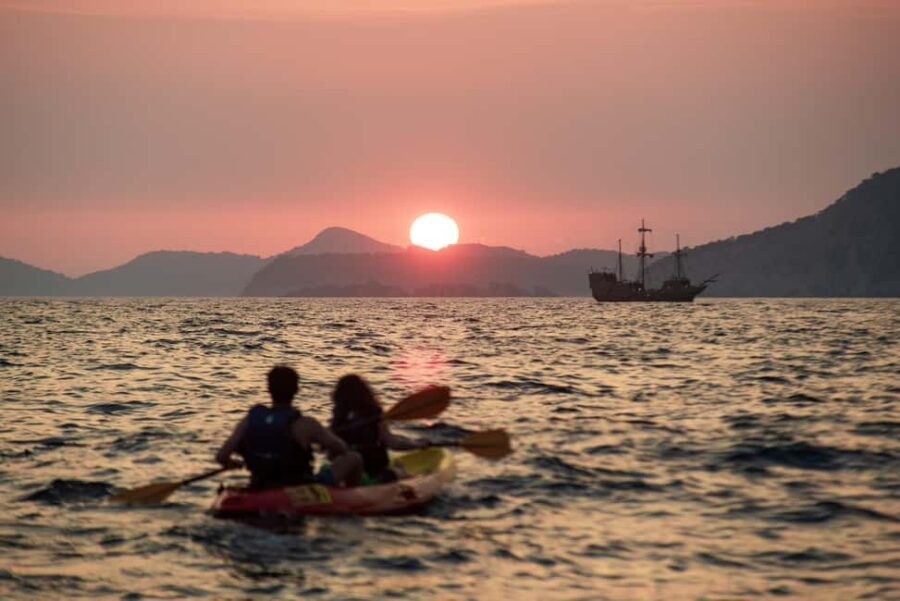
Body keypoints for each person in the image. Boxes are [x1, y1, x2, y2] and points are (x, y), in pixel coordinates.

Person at [215, 365, 362, 489]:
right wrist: (320, 440)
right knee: (354, 457)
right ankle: (352, 495)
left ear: (269, 389)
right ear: (296, 390)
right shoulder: (307, 424)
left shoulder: (249, 420)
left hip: (261, 483)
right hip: (300, 487)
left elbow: (221, 457)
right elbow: (341, 449)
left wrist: (233, 463)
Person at [329, 374, 429, 484]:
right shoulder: (374, 413)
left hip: (347, 471)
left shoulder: (338, 418)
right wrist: (416, 445)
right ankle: (401, 472)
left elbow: (330, 449)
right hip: (374, 472)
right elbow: (393, 443)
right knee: (399, 470)